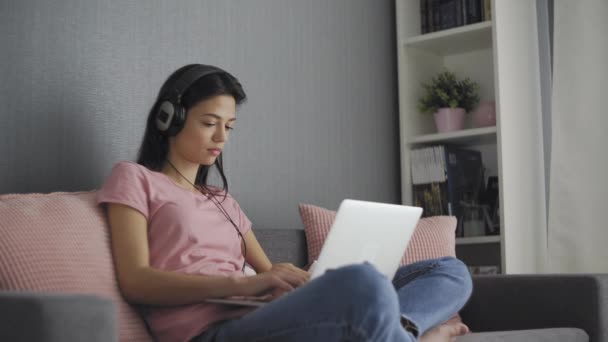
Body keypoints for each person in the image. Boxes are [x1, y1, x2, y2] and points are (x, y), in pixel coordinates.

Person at [97, 64, 473, 342]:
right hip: (208, 332)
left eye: (229, 126)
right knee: (365, 283)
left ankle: (402, 329)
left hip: (263, 314)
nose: (221, 137)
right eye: (209, 122)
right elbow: (136, 281)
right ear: (170, 119)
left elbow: (269, 270)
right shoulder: (136, 178)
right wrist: (244, 285)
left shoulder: (223, 200)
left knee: (449, 269)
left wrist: (299, 279)